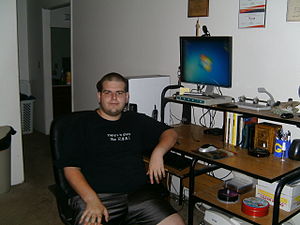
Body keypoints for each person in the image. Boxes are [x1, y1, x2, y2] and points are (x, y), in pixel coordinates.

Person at [58, 72, 185, 225]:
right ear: (99, 96)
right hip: (98, 196)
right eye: (108, 93)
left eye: (119, 93)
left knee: (176, 223)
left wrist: (158, 153)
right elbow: (70, 169)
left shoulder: (135, 119)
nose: (114, 98)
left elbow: (170, 133)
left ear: (127, 97)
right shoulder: (80, 125)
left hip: (139, 195)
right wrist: (92, 200)